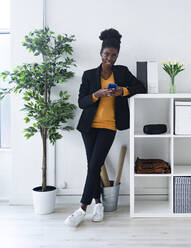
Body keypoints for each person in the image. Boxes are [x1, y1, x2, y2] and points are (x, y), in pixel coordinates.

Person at [64, 28, 146, 227]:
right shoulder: (89, 75)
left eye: (114, 55)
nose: (110, 58)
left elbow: (140, 87)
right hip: (88, 127)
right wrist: (96, 95)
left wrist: (123, 91)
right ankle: (98, 204)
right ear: (101, 53)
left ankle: (82, 208)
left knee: (94, 166)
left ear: (117, 56)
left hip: (109, 127)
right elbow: (82, 102)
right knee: (92, 166)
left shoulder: (122, 72)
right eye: (107, 54)